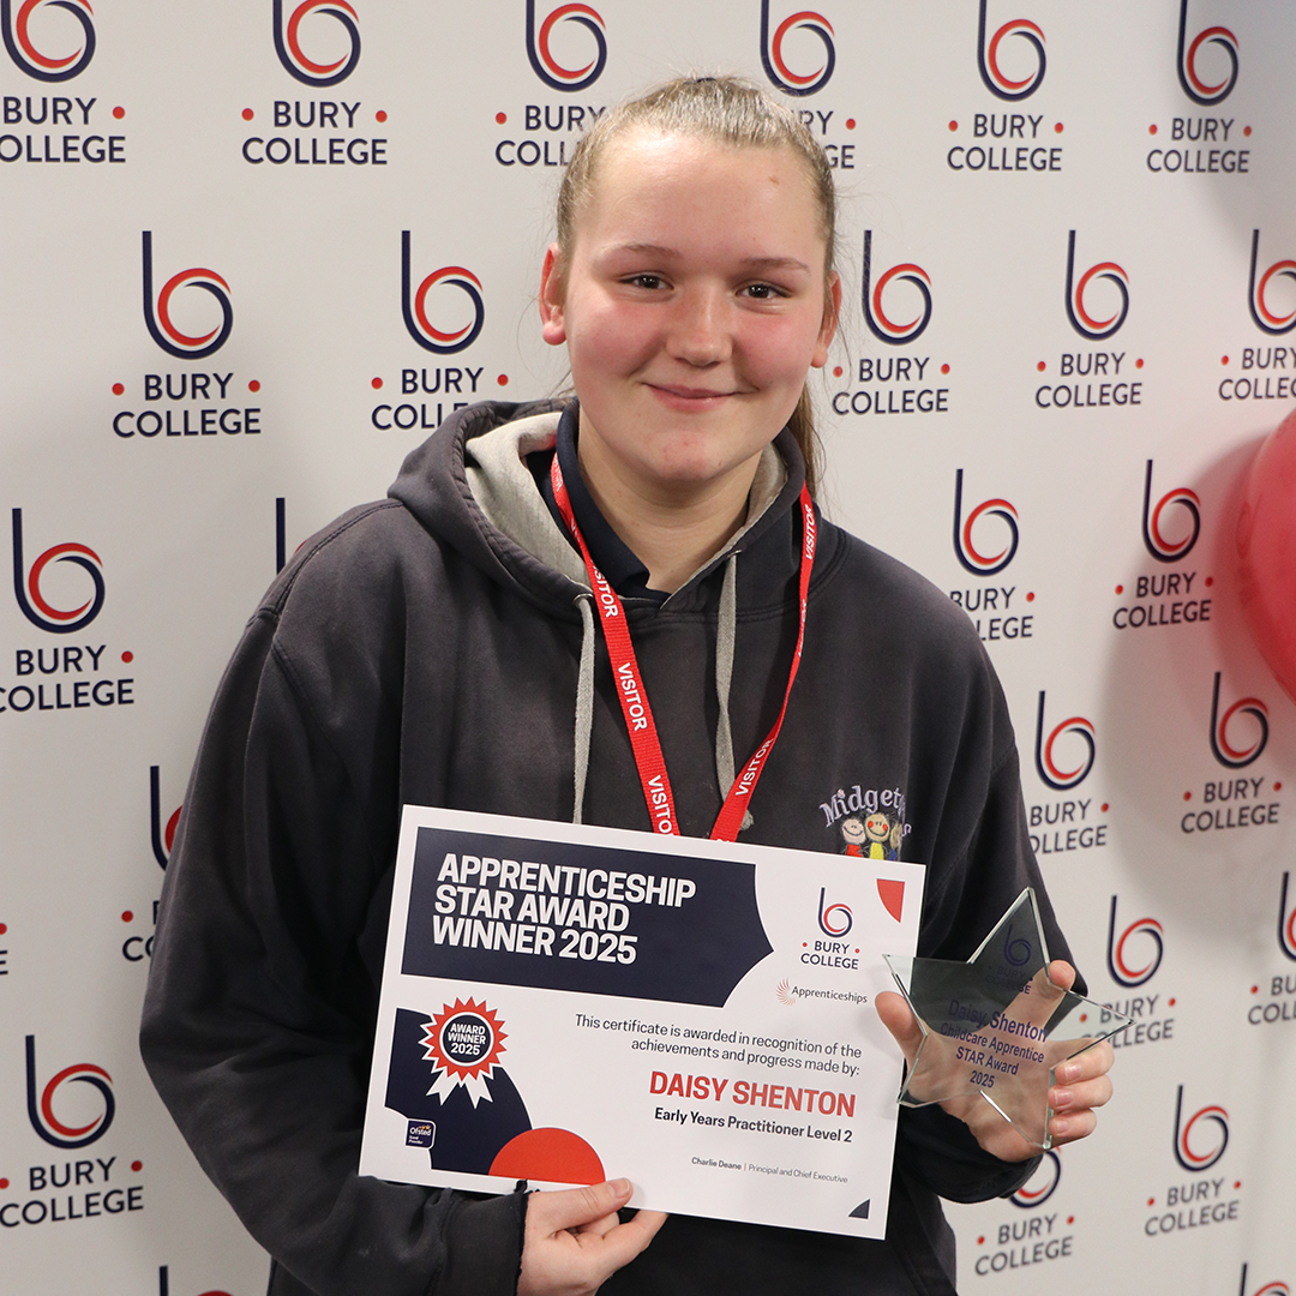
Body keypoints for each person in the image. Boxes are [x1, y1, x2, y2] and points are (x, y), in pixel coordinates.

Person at [141, 76, 1112, 1296]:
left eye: (762, 289)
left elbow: (977, 1058)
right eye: (645, 278)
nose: (700, 337)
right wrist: (459, 1256)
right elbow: (230, 1029)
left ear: (825, 323)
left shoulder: (915, 651)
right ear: (557, 293)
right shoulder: (370, 603)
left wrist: (988, 1111)